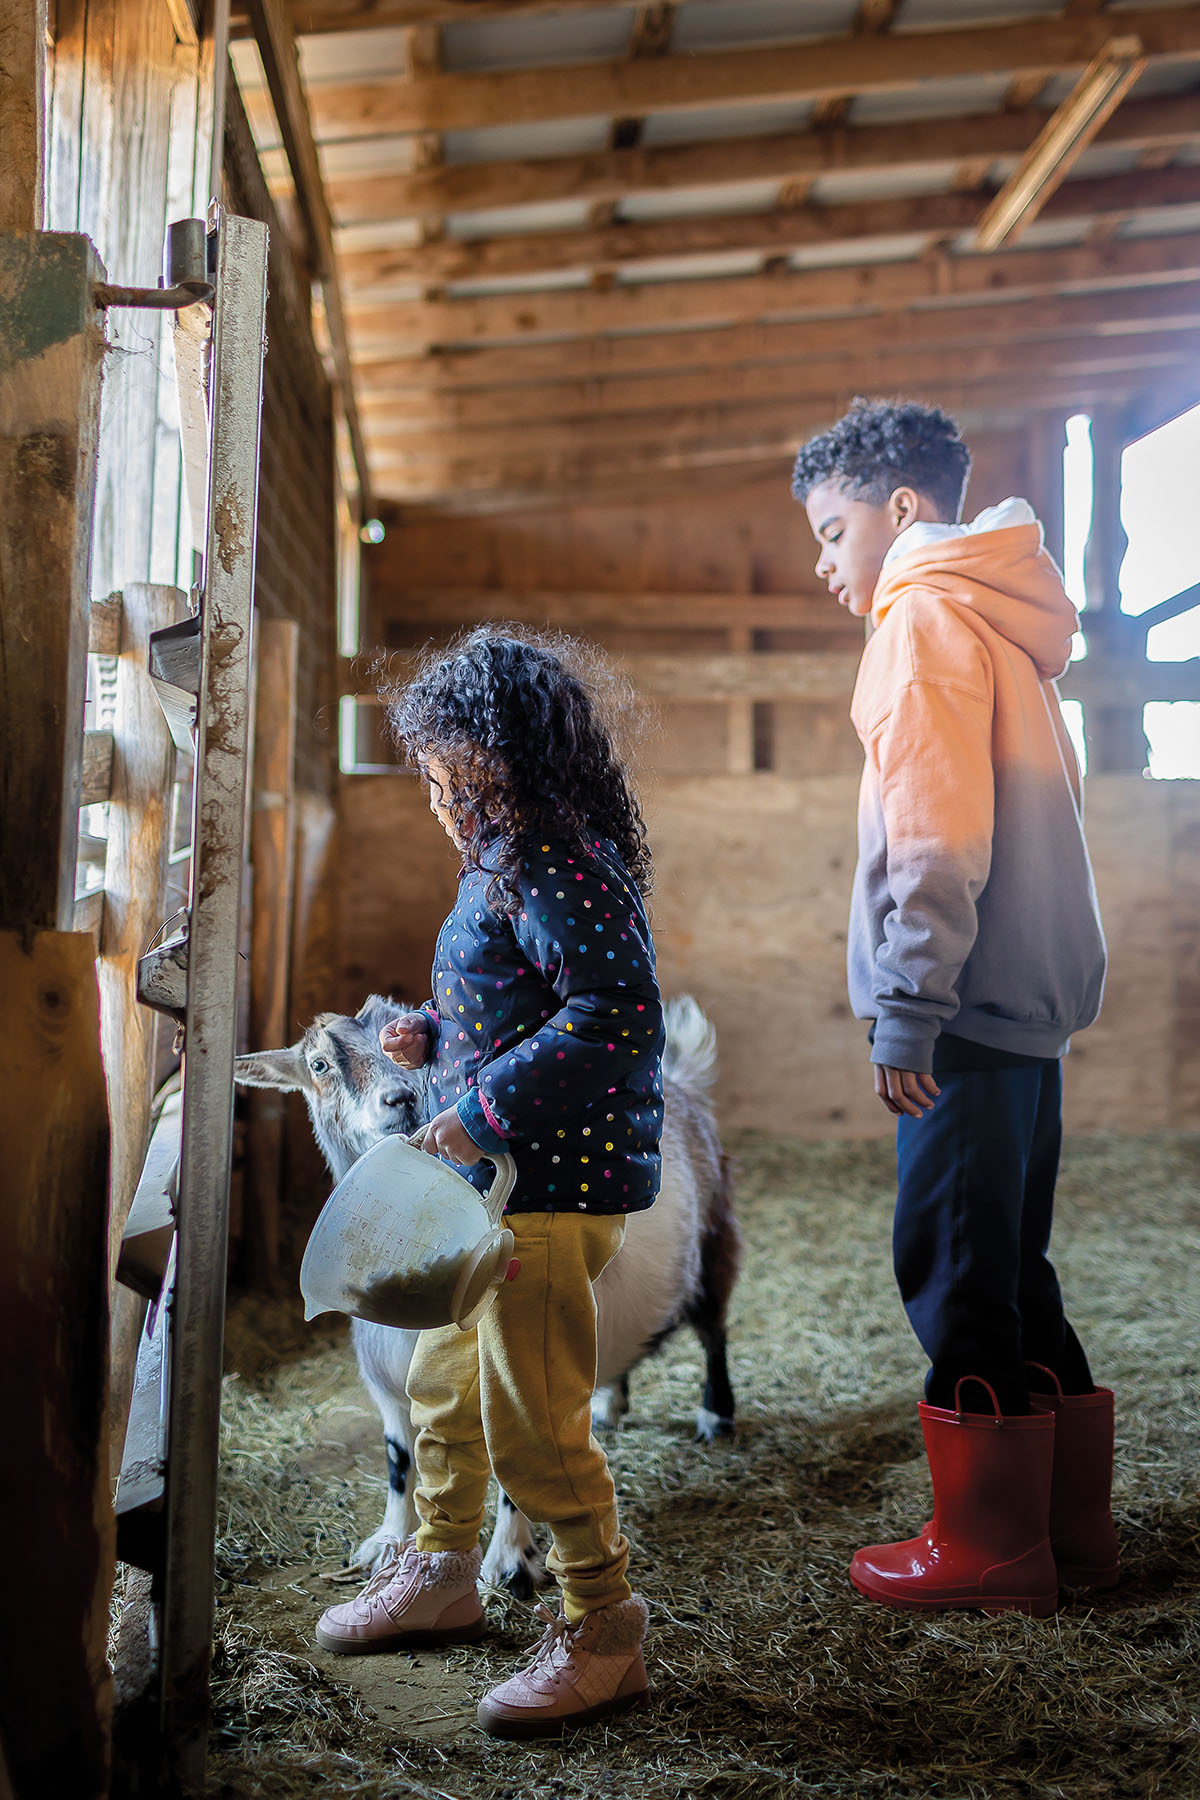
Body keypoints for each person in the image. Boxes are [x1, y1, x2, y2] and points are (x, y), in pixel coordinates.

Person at [791, 397, 1118, 1617]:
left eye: (832, 531)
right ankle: (1068, 1529)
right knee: (1011, 1261)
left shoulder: (923, 620)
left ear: (904, 508)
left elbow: (936, 838)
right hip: (1026, 1005)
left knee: (956, 1267)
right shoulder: (1001, 617)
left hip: (967, 1009)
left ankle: (991, 1550)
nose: (825, 563)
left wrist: (908, 1009)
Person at [315, 628, 664, 1738]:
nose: (435, 793)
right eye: (426, 772)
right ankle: (442, 1568)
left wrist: (471, 1114)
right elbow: (510, 1001)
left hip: (551, 1189)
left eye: (449, 769)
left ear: (508, 758)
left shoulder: (557, 859)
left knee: (535, 1423)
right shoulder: (503, 860)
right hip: (499, 1187)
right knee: (443, 1384)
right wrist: (429, 1037)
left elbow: (614, 1017)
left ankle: (604, 1628)